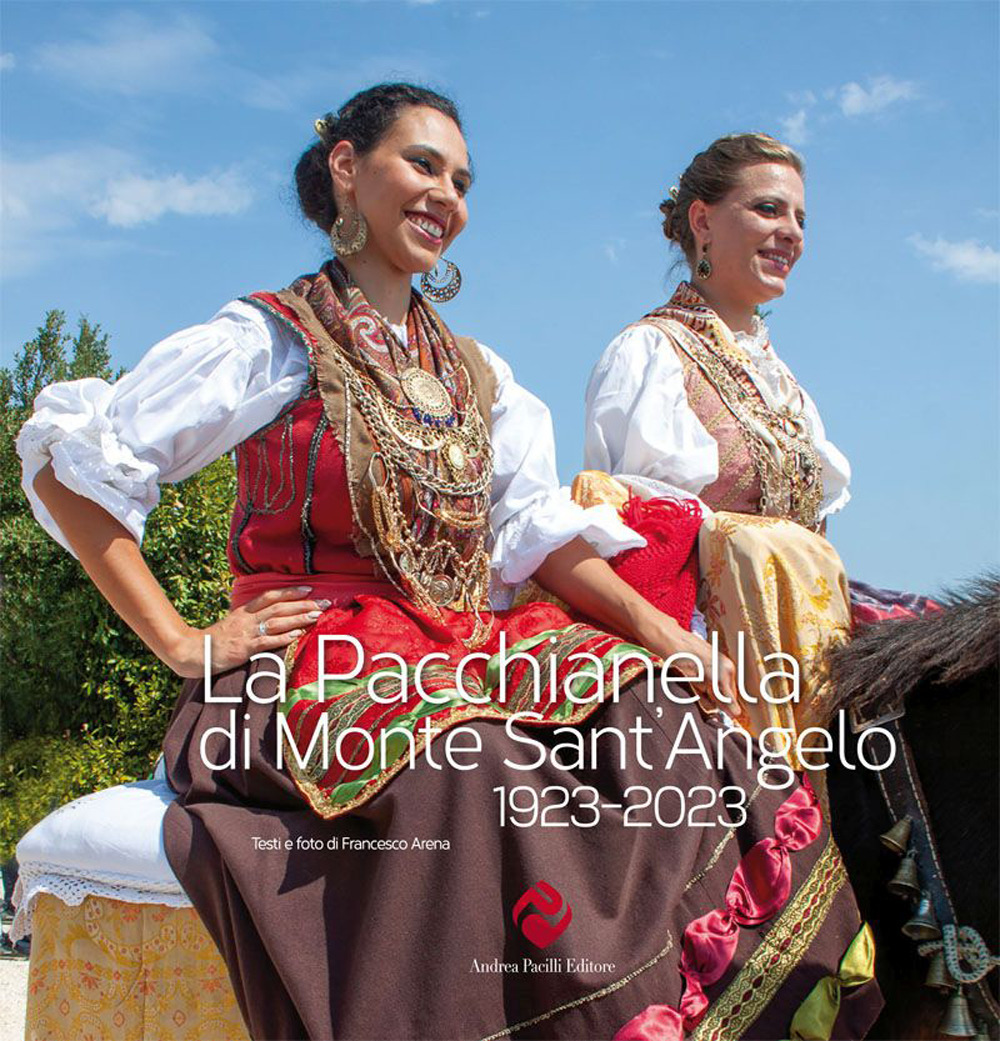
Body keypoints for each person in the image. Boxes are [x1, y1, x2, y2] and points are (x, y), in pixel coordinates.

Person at [18, 94, 880, 1040]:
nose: (446, 194)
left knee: (653, 716)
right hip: (313, 663)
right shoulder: (271, 340)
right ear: (347, 168)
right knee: (481, 762)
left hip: (454, 647)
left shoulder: (479, 374)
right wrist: (185, 642)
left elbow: (536, 535)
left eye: (461, 181)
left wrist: (668, 637)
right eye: (423, 165)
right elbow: (76, 467)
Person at [584, 133, 854, 757]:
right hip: (710, 672)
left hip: (806, 657)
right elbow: (643, 542)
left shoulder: (784, 383)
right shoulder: (648, 353)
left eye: (800, 218)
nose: (791, 232)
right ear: (703, 221)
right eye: (768, 209)